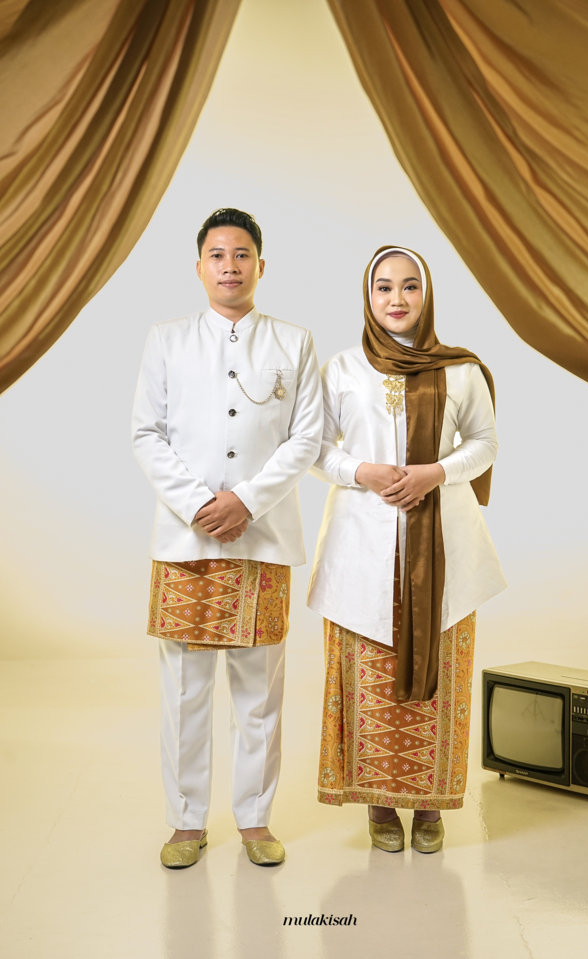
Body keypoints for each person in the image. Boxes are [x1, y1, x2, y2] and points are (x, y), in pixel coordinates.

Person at [132, 208, 323, 868]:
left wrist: (247, 500)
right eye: (218, 255)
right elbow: (146, 434)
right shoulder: (167, 340)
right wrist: (198, 504)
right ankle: (186, 821)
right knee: (185, 690)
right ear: (199, 267)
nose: (230, 266)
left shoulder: (294, 342)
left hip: (262, 540)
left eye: (242, 254)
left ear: (260, 266)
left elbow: (307, 437)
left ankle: (255, 820)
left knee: (259, 692)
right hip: (185, 543)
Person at [307, 246, 506, 853]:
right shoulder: (342, 369)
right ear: (368, 297)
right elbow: (314, 448)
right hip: (360, 547)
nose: (397, 299)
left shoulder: (461, 370)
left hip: (444, 546)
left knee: (441, 671)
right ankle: (378, 804)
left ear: (427, 294)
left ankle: (429, 806)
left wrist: (435, 473)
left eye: (410, 286)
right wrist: (361, 471)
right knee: (368, 676)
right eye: (384, 287)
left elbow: (485, 441)